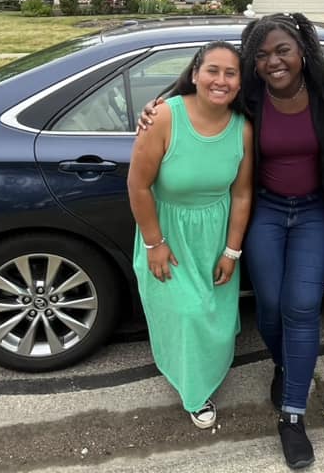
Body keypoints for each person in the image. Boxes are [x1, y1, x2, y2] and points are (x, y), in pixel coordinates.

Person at [139, 13, 324, 468]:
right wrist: (159, 102)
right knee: (272, 305)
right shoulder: (251, 96)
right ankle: (284, 363)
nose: (273, 61)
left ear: (302, 52)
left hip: (313, 213)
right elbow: (205, 90)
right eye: (261, 56)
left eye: (283, 51)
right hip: (267, 212)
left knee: (302, 306)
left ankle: (293, 416)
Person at [127, 41, 254, 429]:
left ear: (240, 82)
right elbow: (138, 185)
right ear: (196, 73)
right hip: (169, 234)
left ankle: (208, 367)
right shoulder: (165, 117)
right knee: (189, 314)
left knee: (214, 316)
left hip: (215, 237)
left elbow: (242, 193)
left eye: (230, 73)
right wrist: (154, 243)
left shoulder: (243, 128)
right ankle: (195, 392)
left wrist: (232, 251)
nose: (220, 80)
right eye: (212, 70)